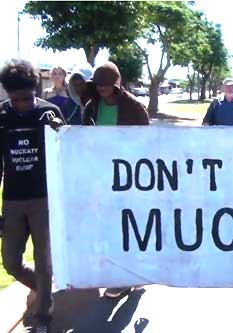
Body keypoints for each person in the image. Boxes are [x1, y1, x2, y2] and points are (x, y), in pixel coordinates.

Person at [0, 59, 65, 333]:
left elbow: (68, 154)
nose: (21, 105)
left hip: (44, 200)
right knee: (11, 262)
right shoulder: (2, 116)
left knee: (44, 260)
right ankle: (42, 291)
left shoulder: (50, 114)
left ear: (35, 90)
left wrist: (60, 129)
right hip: (13, 200)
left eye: (26, 99)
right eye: (15, 100)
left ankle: (42, 318)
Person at [82, 61, 149, 299]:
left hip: (129, 177)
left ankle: (129, 276)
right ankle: (122, 274)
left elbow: (147, 143)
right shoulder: (91, 107)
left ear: (116, 84)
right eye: (98, 85)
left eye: (107, 85)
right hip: (101, 177)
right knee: (108, 227)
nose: (102, 89)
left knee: (128, 226)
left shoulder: (134, 107)